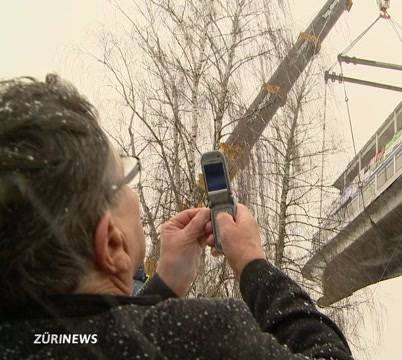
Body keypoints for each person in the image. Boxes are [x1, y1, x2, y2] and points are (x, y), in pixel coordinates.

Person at [0, 75, 352, 359]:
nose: (133, 194)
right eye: (125, 180)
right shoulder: (203, 336)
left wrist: (164, 286)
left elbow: (92, 332)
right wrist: (252, 263)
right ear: (111, 242)